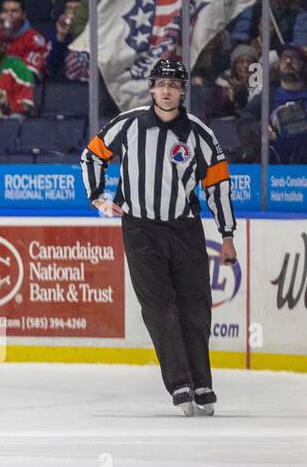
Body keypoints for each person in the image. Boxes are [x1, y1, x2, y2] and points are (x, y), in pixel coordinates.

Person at [81, 57, 237, 416]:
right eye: (161, 84)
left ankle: (202, 383)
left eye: (174, 85)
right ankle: (180, 383)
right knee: (159, 308)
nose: (167, 91)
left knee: (195, 307)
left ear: (183, 91)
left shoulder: (200, 134)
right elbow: (92, 156)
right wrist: (98, 198)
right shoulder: (128, 124)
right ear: (151, 88)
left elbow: (219, 187)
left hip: (185, 230)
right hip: (140, 230)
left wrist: (227, 235)